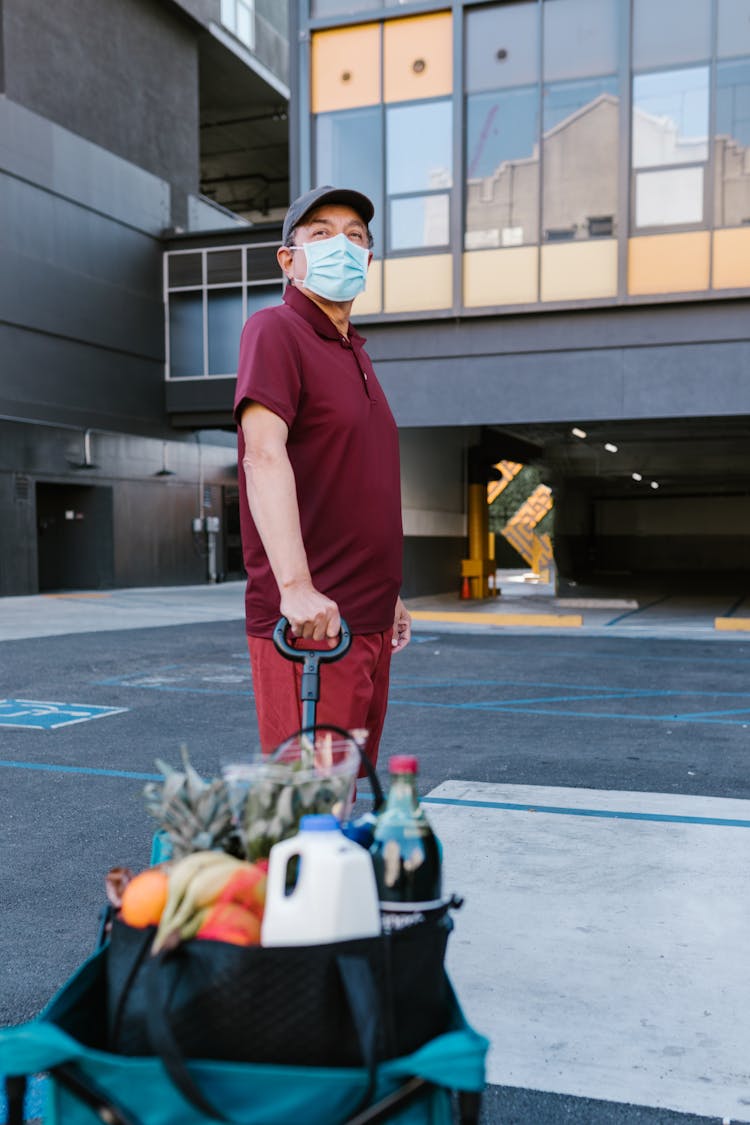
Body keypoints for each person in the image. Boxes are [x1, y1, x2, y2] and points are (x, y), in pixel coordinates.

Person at [233, 185, 411, 767]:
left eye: (356, 236)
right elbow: (262, 456)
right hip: (312, 627)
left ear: (369, 260)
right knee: (307, 804)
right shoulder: (275, 331)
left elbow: (356, 484)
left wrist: (390, 595)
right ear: (288, 258)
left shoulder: (355, 353)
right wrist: (294, 587)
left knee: (343, 793)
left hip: (367, 620)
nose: (343, 244)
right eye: (321, 233)